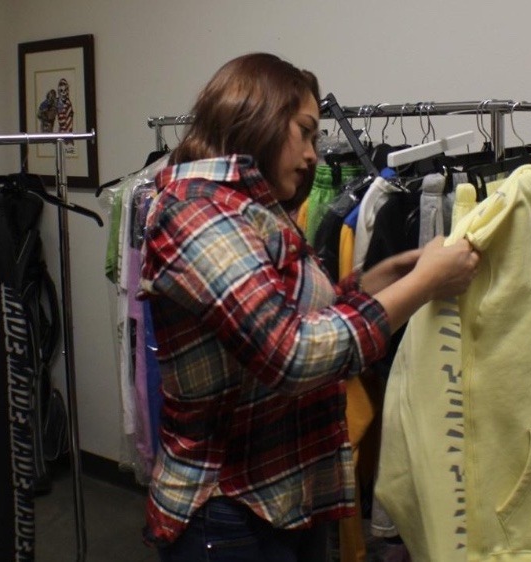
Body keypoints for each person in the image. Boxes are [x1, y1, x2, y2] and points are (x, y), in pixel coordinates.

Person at [138, 52, 479, 562]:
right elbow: (289, 354)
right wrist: (422, 287)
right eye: (306, 131)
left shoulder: (253, 209)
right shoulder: (197, 211)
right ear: (260, 117)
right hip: (229, 513)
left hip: (283, 499)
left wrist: (380, 282)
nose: (315, 154)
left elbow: (287, 317)